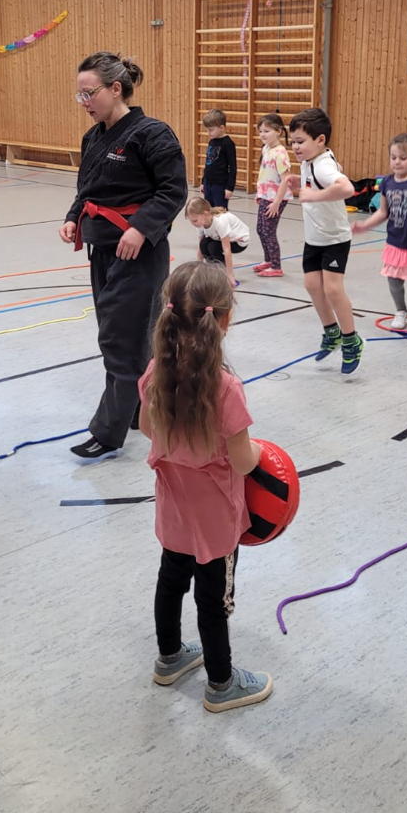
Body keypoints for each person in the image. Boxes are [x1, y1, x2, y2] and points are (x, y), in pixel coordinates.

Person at [139, 260, 273, 713]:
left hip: (174, 513)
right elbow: (242, 459)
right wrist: (263, 454)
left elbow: (145, 429)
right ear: (225, 319)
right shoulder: (226, 388)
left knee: (170, 580)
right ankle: (221, 683)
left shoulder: (156, 372)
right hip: (216, 522)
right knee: (213, 600)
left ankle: (169, 657)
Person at [59, 52, 188, 461]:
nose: (85, 102)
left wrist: (140, 227)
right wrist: (73, 217)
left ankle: (108, 432)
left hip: (139, 254)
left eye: (90, 93)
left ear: (116, 89)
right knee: (131, 337)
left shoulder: (152, 134)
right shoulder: (94, 137)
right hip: (102, 251)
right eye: (79, 95)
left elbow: (173, 191)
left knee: (119, 340)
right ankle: (141, 409)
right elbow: (87, 190)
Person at [284, 108, 362, 374]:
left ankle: (352, 340)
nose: (295, 146)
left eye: (300, 141)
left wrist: (313, 196)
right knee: (311, 285)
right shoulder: (311, 161)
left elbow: (348, 188)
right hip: (314, 238)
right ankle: (332, 333)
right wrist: (299, 181)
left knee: (333, 289)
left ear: (320, 140)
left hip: (335, 238)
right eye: (292, 141)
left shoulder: (323, 164)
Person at [353, 133, 407, 331]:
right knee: (394, 280)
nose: (397, 162)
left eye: (403, 158)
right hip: (395, 241)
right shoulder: (387, 183)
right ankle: (400, 311)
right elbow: (383, 212)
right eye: (393, 158)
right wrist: (365, 225)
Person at [252, 113, 292, 277]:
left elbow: (286, 180)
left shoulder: (280, 153)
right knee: (260, 229)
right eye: (260, 131)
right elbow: (265, 174)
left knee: (269, 231)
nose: (262, 134)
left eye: (267, 131)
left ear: (279, 132)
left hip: (276, 199)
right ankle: (268, 259)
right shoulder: (266, 148)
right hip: (266, 196)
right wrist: (260, 193)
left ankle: (276, 266)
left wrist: (276, 202)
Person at [186, 197, 251, 287]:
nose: (193, 224)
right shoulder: (200, 224)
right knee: (204, 244)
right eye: (191, 221)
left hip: (239, 241)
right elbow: (200, 246)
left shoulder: (220, 222)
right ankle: (213, 271)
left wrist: (230, 275)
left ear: (205, 214)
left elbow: (227, 250)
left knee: (213, 246)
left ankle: (222, 273)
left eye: (195, 221)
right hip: (219, 238)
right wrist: (198, 269)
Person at [201, 109, 237, 209]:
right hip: (208, 183)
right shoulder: (212, 141)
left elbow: (233, 167)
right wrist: (203, 181)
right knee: (209, 211)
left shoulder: (228, 144)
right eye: (207, 130)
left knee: (220, 212)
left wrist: (230, 187)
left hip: (220, 185)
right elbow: (208, 163)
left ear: (222, 127)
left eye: (211, 130)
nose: (208, 133)